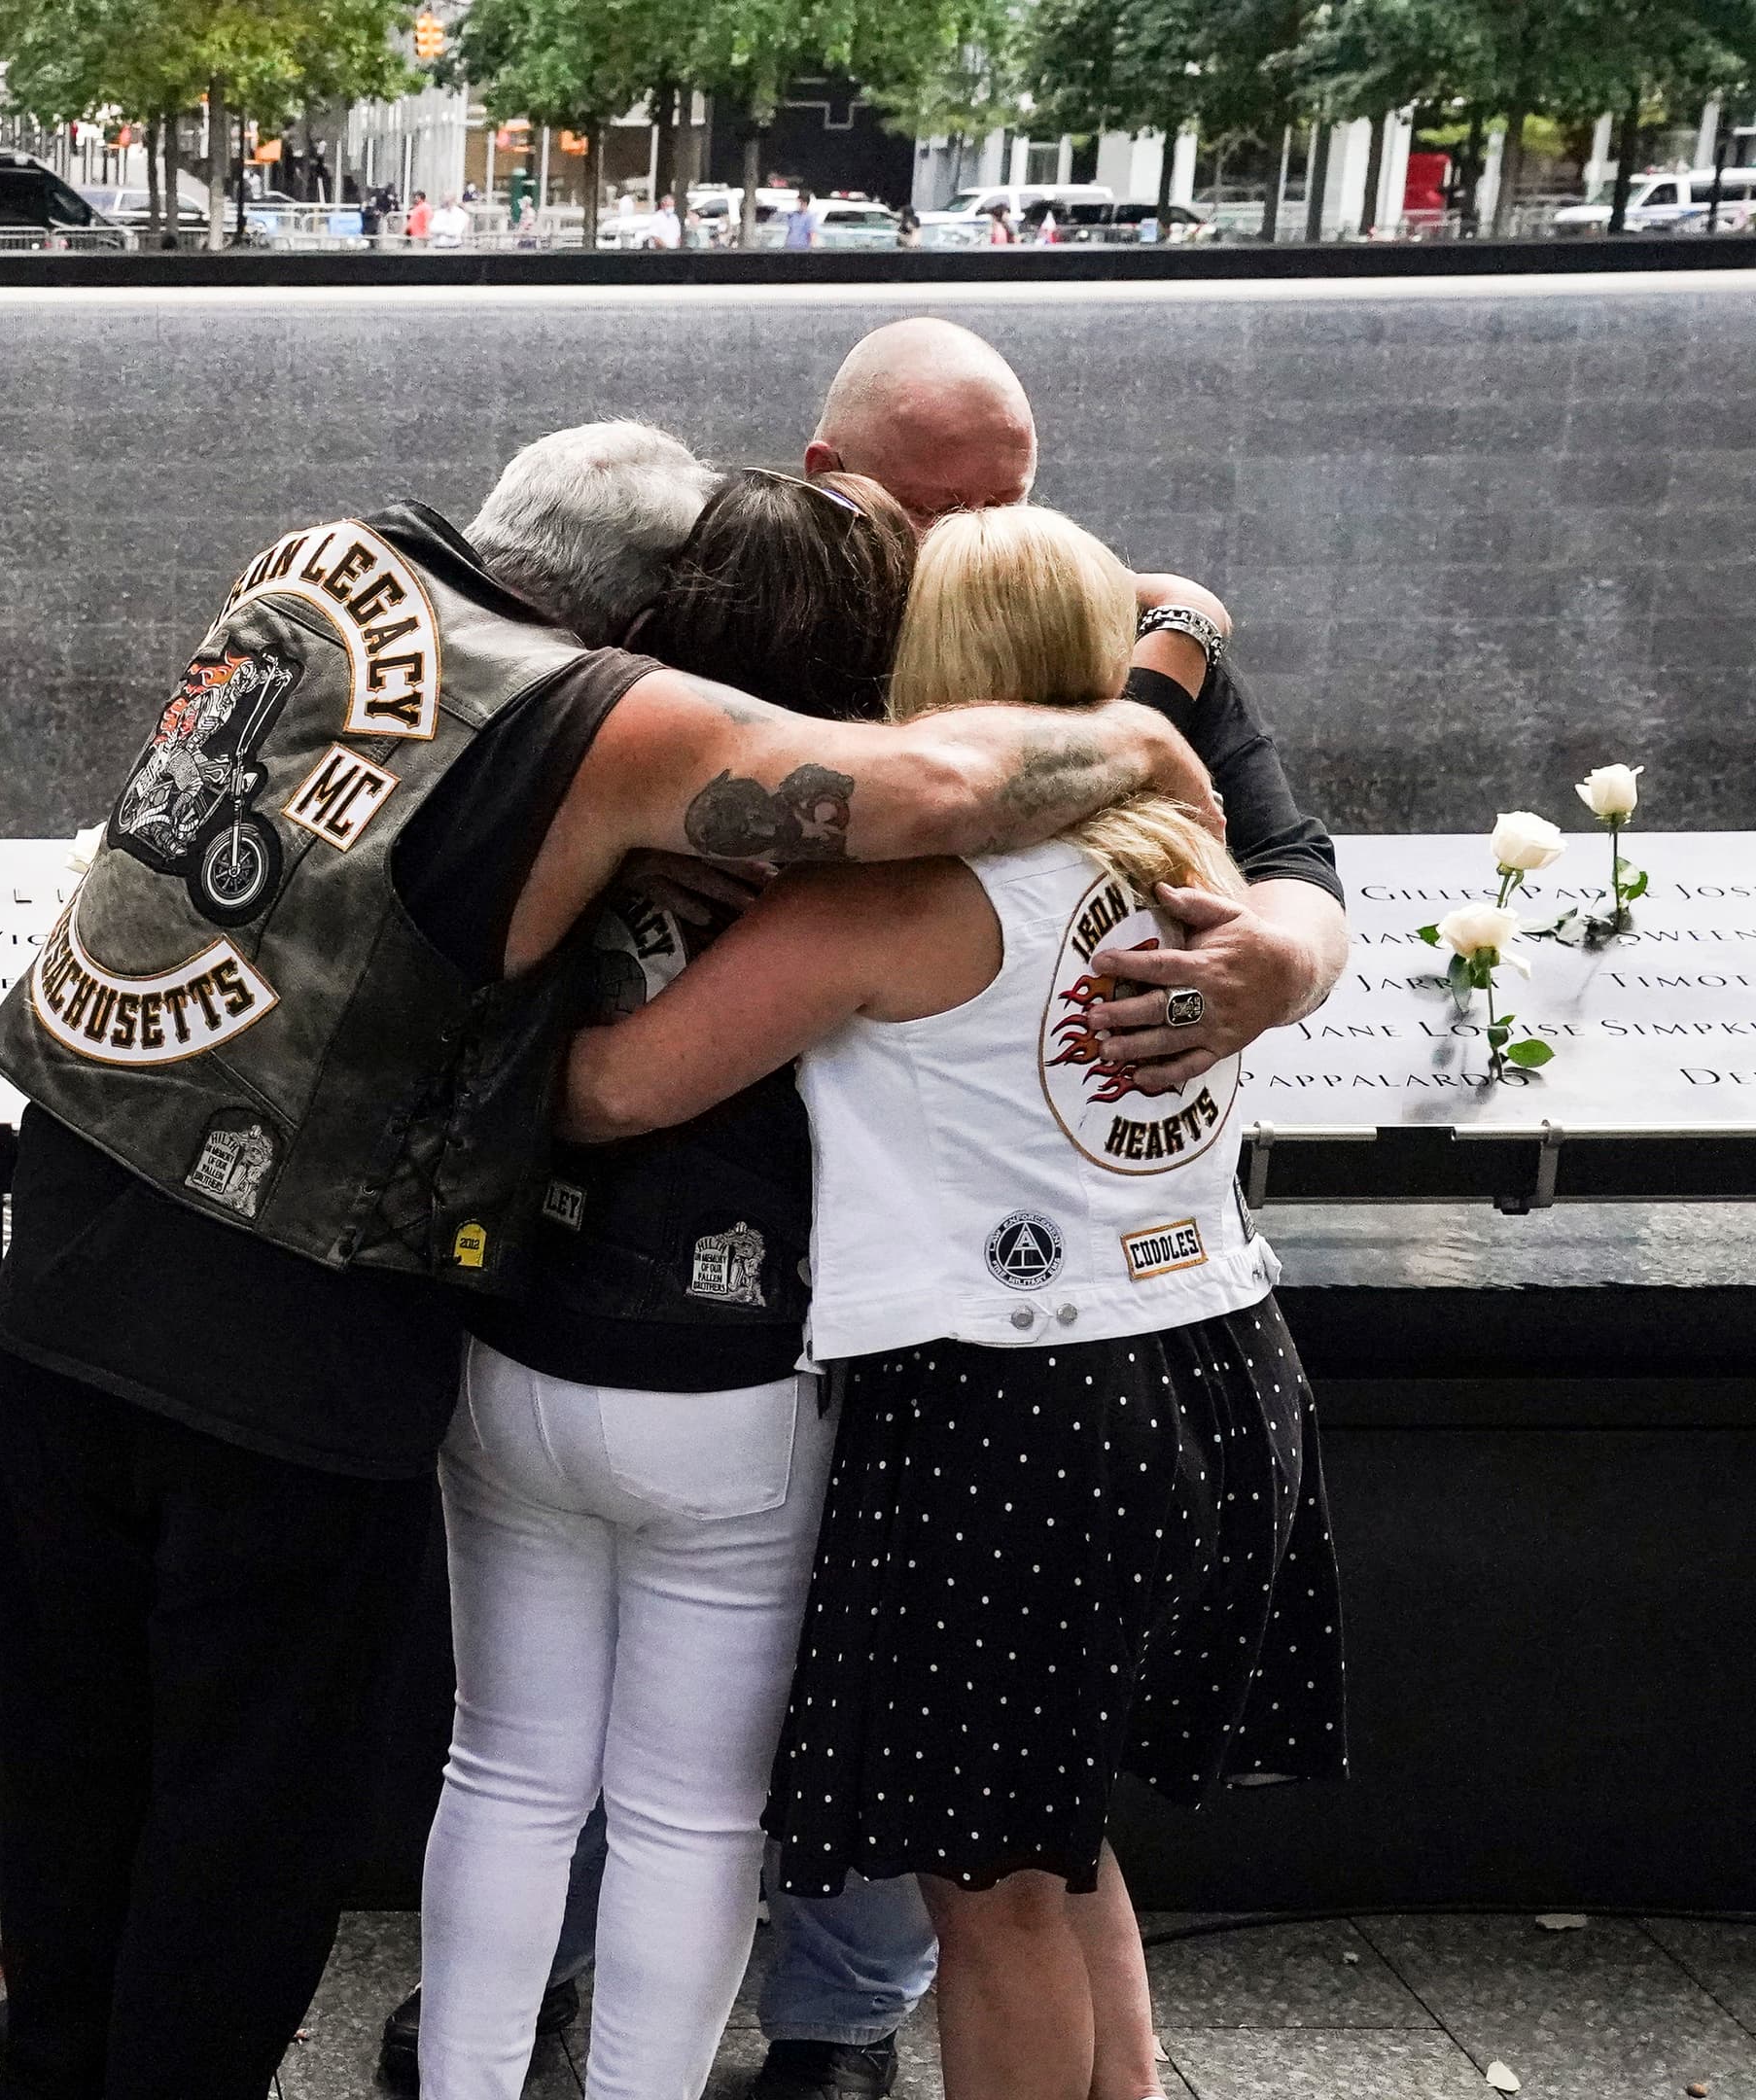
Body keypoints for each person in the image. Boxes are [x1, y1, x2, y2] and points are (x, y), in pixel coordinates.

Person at [0, 420, 1215, 2100]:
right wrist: (1149, 718)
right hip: (290, 1353)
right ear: (637, 621)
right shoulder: (606, 717)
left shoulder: (323, 557)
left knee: (72, 1766)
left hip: (63, 1265)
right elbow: (930, 789)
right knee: (243, 1826)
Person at [380, 315, 1349, 2100]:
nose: (966, 524)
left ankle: (734, 2036)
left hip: (984, 1390)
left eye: (1000, 501)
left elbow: (613, 1087)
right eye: (938, 498)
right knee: (1044, 1843)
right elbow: (1206, 763)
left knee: (905, 1849)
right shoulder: (1162, 816)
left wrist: (478, 999)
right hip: (1209, 1349)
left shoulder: (893, 878)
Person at [413, 467, 920, 2100]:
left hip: (517, 1352)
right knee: (693, 1808)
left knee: (502, 1771)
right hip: (735, 1389)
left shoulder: (584, 774)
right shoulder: (880, 863)